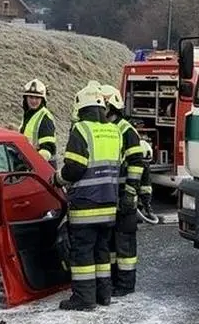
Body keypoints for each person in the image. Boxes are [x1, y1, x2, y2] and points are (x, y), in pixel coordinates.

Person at [56, 83, 122, 310]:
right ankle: (103, 295)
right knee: (102, 251)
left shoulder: (81, 130)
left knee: (82, 252)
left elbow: (75, 168)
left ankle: (84, 298)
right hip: (109, 202)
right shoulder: (114, 131)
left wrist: (58, 178)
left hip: (86, 204)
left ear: (80, 107)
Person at [97, 84, 144, 297]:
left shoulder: (127, 130)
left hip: (124, 195)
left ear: (112, 105)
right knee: (113, 243)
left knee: (125, 244)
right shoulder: (106, 128)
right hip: (110, 195)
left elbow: (137, 164)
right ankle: (116, 281)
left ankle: (126, 285)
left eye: (104, 104)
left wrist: (131, 193)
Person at [20, 79, 56, 165]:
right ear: (26, 98)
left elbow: (47, 148)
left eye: (37, 98)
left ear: (42, 99)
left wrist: (33, 164)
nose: (33, 101)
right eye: (31, 97)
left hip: (42, 167)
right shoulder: (30, 114)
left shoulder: (45, 117)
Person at [136, 137, 160, 224]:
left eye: (147, 163)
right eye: (143, 163)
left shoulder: (145, 168)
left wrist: (146, 204)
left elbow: (146, 187)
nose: (145, 166)